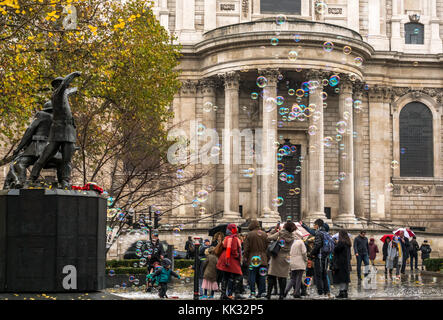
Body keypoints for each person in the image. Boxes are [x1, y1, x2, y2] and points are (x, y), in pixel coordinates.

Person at [30, 71, 81, 188]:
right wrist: (74, 74)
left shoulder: (64, 94)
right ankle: (32, 177)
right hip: (58, 131)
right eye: (61, 84)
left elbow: (69, 90)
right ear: (56, 86)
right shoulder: (57, 94)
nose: (65, 86)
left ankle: (65, 181)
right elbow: (65, 85)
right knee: (45, 156)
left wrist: (75, 89)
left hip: (69, 131)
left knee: (67, 159)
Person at [267, 221, 296, 300]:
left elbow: (269, 238)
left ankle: (268, 294)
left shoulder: (281, 233)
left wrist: (273, 231)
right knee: (283, 277)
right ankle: (281, 295)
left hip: (277, 256)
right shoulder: (293, 236)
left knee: (272, 275)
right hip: (286, 258)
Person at [216, 224, 244, 300]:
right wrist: (238, 256)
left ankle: (223, 294)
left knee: (225, 276)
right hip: (231, 260)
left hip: (224, 259)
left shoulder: (226, 238)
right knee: (238, 275)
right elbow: (234, 250)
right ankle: (237, 293)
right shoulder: (234, 239)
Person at [243, 219, 268, 299]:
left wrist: (245, 257)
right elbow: (267, 247)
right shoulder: (264, 234)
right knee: (262, 276)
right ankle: (262, 292)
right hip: (263, 258)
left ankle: (253, 293)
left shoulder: (249, 234)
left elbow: (246, 248)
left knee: (252, 276)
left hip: (252, 258)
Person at [310, 219, 331, 296]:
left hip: (319, 257)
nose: (313, 226)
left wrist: (311, 253)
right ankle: (326, 291)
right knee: (324, 274)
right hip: (325, 257)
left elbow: (318, 245)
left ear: (317, 225)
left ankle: (320, 292)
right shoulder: (326, 233)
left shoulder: (318, 233)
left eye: (314, 225)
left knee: (318, 275)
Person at [284, 228, 307, 298]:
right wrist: (305, 259)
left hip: (293, 262)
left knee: (292, 279)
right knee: (299, 278)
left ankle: (285, 291)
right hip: (300, 262)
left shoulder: (293, 243)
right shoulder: (300, 242)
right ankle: (296, 293)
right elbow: (304, 253)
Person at [332, 230, 352, 299]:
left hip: (341, 263)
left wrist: (336, 243)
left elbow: (336, 250)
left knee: (342, 278)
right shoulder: (348, 242)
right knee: (346, 278)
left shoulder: (341, 242)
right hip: (346, 262)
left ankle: (342, 292)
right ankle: (345, 292)